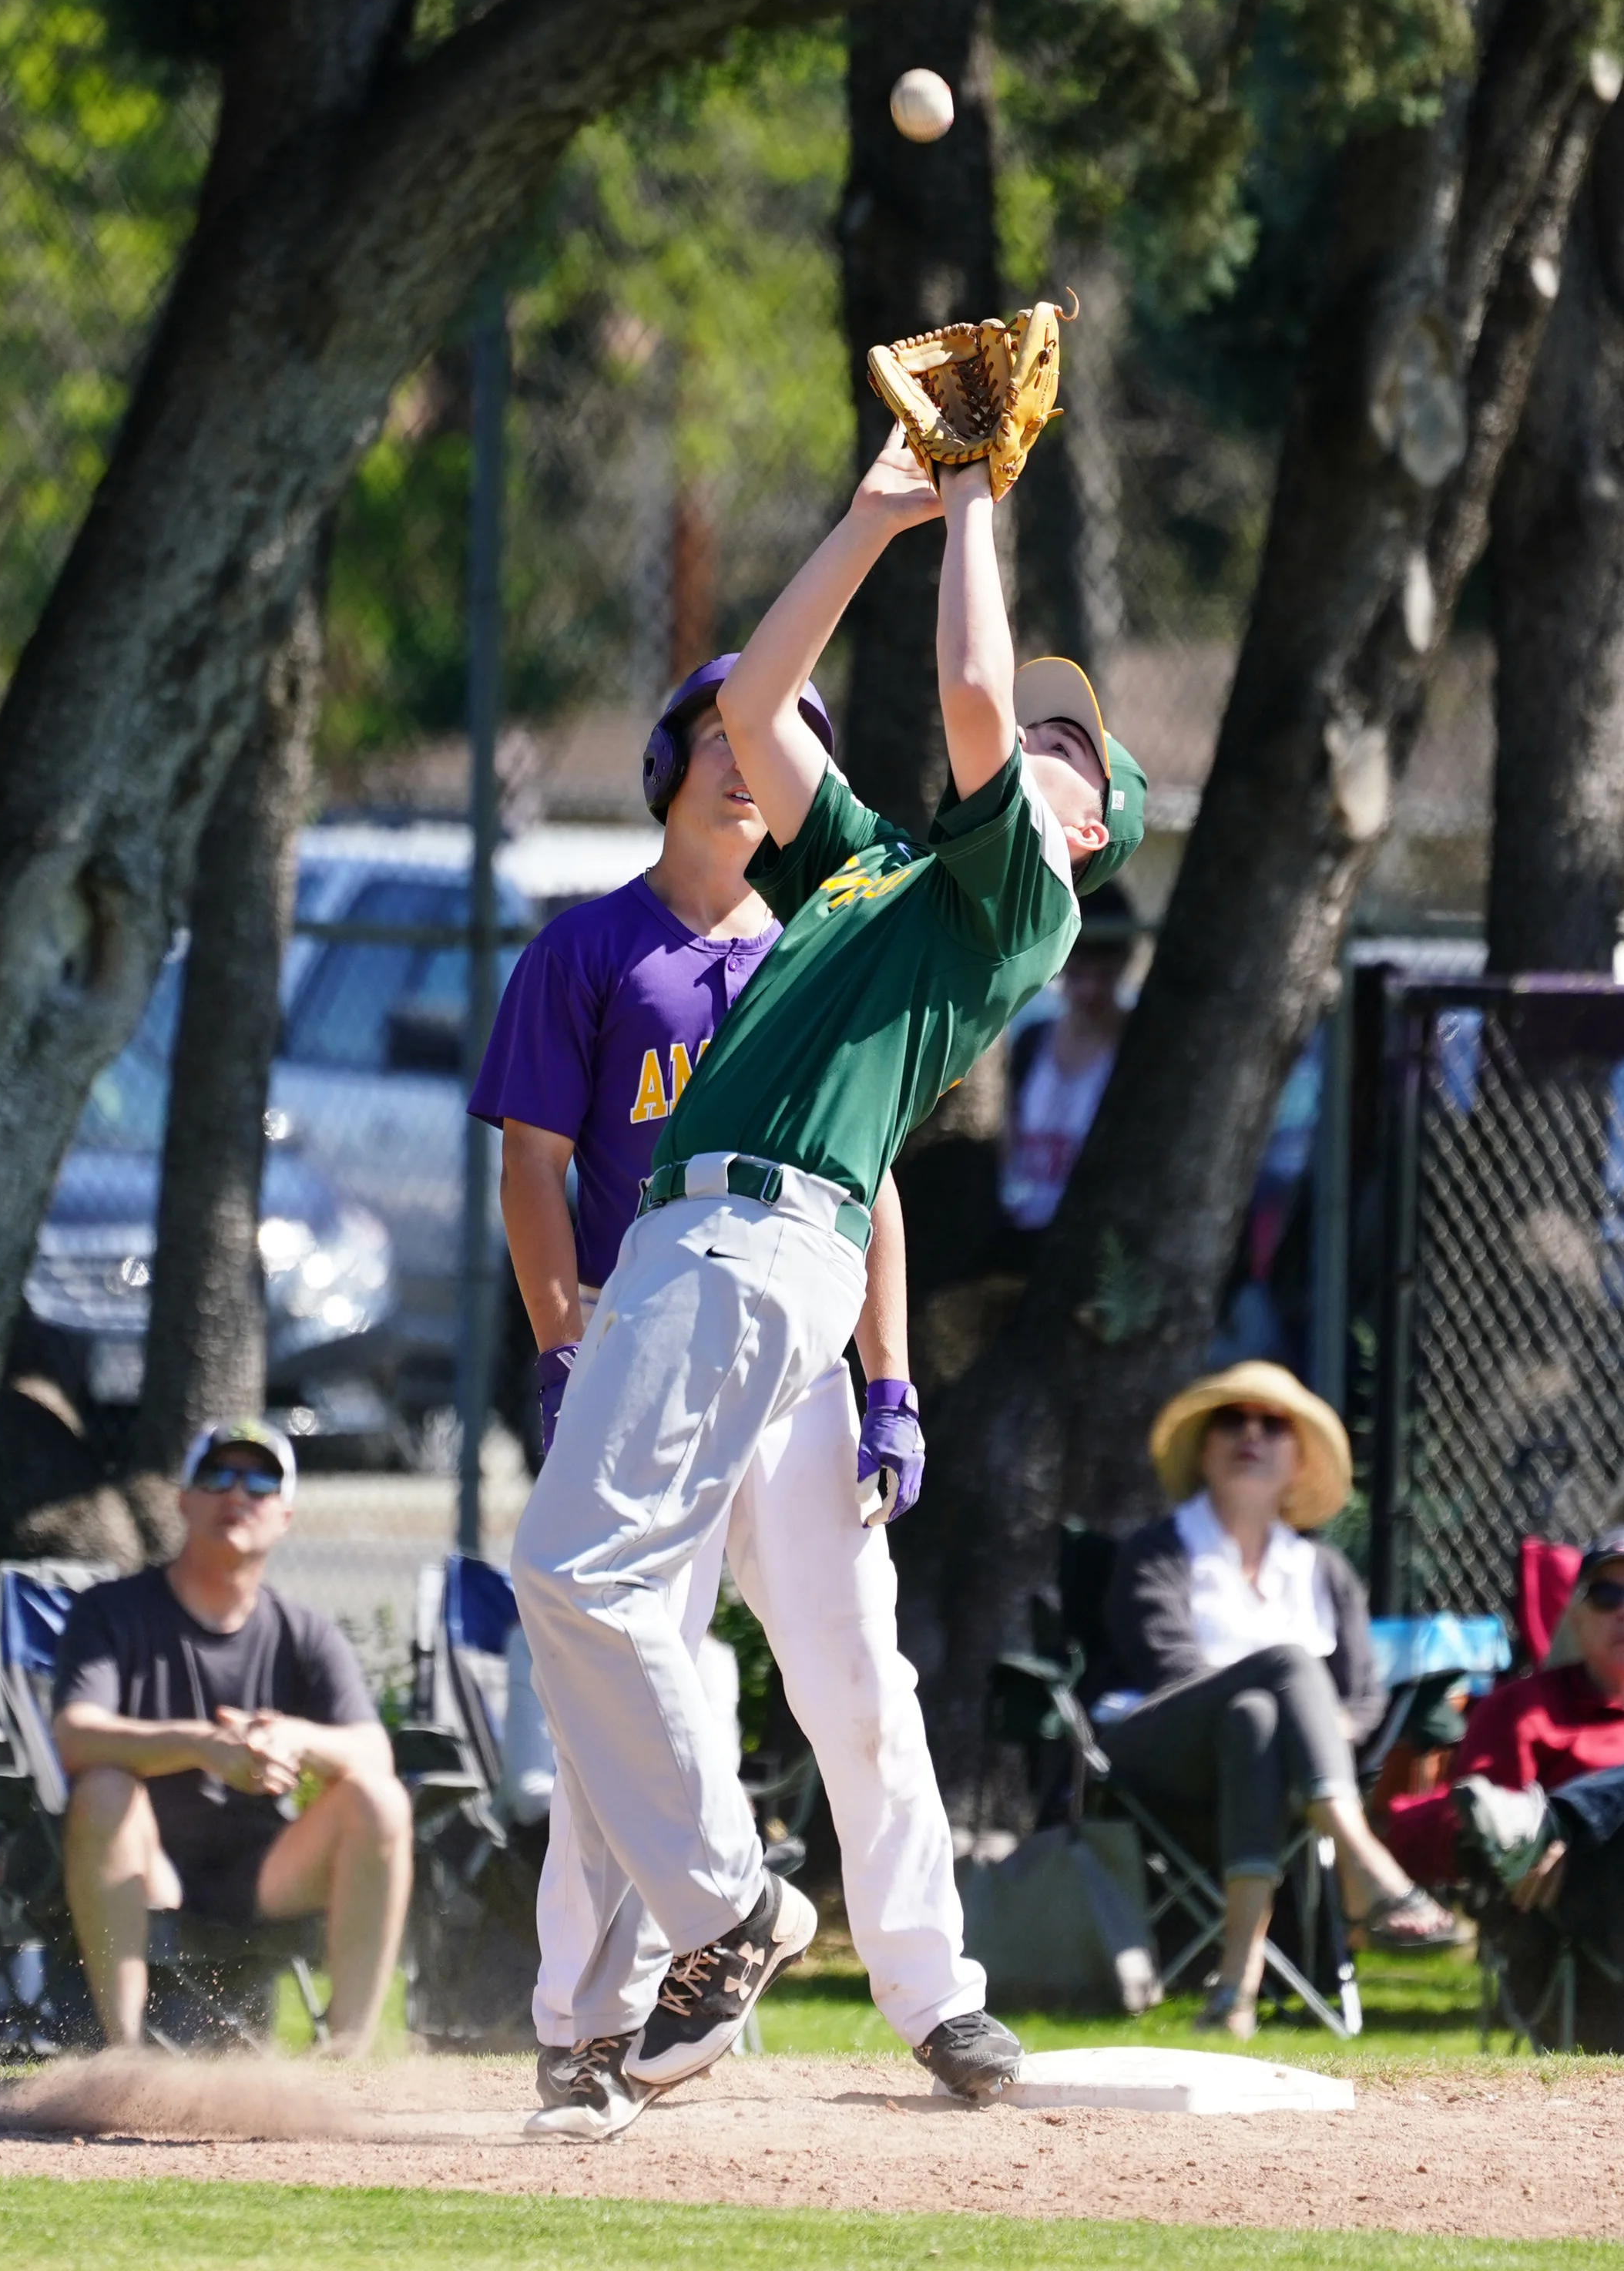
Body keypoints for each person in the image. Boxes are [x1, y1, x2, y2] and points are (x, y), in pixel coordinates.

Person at [511, 425, 1146, 2116]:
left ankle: (817, 1951)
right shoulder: (872, 864)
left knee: (741, 1634)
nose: (1041, 749)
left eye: (1072, 758)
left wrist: (972, 504)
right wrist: (874, 510)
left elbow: (968, 697)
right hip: (704, 1248)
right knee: (602, 1611)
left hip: (755, 1249)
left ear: (1083, 833)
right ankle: (608, 2009)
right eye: (1047, 735)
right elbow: (752, 699)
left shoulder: (1017, 900)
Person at [468, 650, 935, 2138]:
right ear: (667, 757)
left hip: (798, 1336)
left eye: (791, 731)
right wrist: (560, 1344)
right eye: (725, 730)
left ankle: (936, 1993)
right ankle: (591, 2024)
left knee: (860, 1670)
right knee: (619, 1666)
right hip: (640, 1327)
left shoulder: (823, 949)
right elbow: (531, 1167)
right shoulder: (591, 950)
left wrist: (893, 1381)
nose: (755, 757)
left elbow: (876, 1186)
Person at [1100, 1362, 1458, 2040]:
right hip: (1160, 1751)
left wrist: (1310, 1737)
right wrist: (1300, 1708)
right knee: (1286, 1664)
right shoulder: (1157, 1552)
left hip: (1274, 1767)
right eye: (1233, 1420)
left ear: (1298, 1460)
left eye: (1274, 1425)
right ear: (1205, 1448)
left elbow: (1361, 1699)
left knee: (1256, 1718)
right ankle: (1361, 1857)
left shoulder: (1327, 1572)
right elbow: (1171, 1669)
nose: (1252, 1434)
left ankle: (1235, 1988)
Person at [52, 1419, 411, 2055]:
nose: (237, 1493)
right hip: (146, 1867)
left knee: (381, 1800)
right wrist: (203, 1747)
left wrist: (294, 1740)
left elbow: (374, 1753)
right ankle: (125, 2056)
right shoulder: (109, 1612)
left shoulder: (305, 1633)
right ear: (183, 1500)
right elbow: (76, 1736)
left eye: (260, 1480)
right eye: (216, 1475)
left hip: (266, 1874)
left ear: (285, 1515)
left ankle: (347, 2053)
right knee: (102, 1789)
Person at [1388, 1527, 1624, 1928]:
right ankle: (1547, 1828)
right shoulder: (1525, 1710)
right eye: (1606, 1596)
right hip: (1570, 1922)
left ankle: (1561, 1819)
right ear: (1576, 1618)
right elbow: (1474, 1821)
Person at [999, 875, 1135, 1237]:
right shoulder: (1031, 1040)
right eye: (1077, 974)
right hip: (1019, 1233)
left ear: (1125, 961)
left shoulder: (1136, 1052)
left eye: (1104, 975)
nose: (1089, 991)